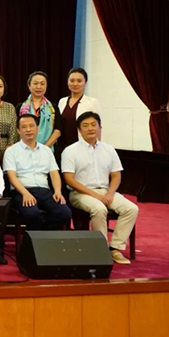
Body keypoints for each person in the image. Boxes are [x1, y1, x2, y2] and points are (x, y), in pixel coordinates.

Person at [62, 112, 138, 265]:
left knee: (131, 209)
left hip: (105, 191)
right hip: (80, 193)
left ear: (100, 127)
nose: (90, 128)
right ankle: (100, 249)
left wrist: (110, 194)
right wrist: (95, 196)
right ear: (79, 130)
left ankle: (115, 248)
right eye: (85, 126)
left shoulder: (108, 149)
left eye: (93, 125)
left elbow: (116, 175)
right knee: (99, 209)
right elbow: (69, 179)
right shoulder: (70, 151)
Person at [3, 113, 71, 231]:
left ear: (37, 128)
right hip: (21, 191)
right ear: (18, 131)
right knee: (31, 214)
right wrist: (25, 193)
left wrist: (57, 191)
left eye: (31, 126)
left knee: (64, 213)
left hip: (44, 191)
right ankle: (35, 240)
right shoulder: (11, 151)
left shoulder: (46, 150)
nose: (28, 130)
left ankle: (41, 236)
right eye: (24, 127)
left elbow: (54, 173)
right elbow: (11, 177)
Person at [58, 67, 102, 150]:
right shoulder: (62, 101)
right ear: (67, 82)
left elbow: (98, 128)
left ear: (85, 83)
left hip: (83, 147)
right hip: (62, 147)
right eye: (72, 81)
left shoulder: (92, 102)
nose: (75, 84)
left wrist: (96, 149)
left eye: (79, 81)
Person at [18, 71, 62, 152]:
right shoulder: (20, 107)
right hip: (24, 150)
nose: (39, 87)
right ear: (29, 86)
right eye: (35, 83)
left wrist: (43, 149)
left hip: (48, 150)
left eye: (42, 84)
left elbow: (57, 131)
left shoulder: (53, 108)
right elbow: (17, 130)